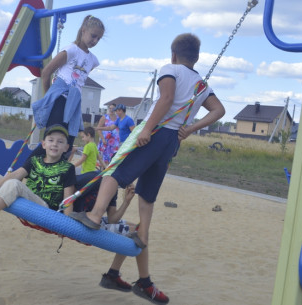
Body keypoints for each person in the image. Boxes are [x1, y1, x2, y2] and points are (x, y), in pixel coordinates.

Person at [70, 33, 225, 304]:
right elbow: (219, 110)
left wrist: (149, 128)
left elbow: (165, 99)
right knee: (148, 194)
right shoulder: (201, 84)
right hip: (172, 141)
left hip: (156, 132)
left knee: (114, 172)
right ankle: (141, 239)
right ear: (196, 58)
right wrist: (190, 128)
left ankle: (94, 217)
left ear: (173, 54)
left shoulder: (170, 70)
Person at [32, 15, 105, 157]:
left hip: (74, 102)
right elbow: (47, 72)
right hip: (60, 98)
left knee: (67, 142)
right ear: (83, 30)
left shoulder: (93, 60)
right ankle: (29, 169)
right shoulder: (71, 50)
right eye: (93, 36)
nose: (95, 41)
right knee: (54, 140)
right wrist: (49, 97)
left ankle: (58, 173)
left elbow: (79, 81)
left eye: (98, 39)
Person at [72, 171, 137, 292]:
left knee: (137, 227)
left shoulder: (113, 189)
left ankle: (113, 274)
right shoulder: (94, 178)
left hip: (93, 221)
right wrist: (65, 221)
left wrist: (126, 202)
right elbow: (69, 186)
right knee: (135, 231)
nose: (132, 181)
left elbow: (112, 219)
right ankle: (113, 275)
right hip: (79, 221)